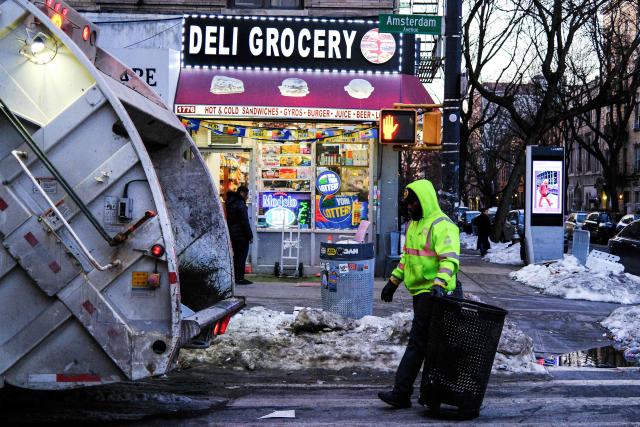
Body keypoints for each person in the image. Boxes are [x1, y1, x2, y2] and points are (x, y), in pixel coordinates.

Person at [378, 179, 461, 409]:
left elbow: (450, 260)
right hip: (424, 293)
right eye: (407, 203)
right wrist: (393, 282)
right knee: (431, 344)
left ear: (424, 201)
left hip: (438, 293)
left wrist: (439, 284)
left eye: (413, 202)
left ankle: (403, 393)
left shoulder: (441, 225)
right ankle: (434, 393)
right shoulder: (413, 225)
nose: (409, 207)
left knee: (420, 343)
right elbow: (407, 258)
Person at [226, 185, 253, 285]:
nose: (247, 197)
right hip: (241, 235)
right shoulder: (240, 204)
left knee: (236, 257)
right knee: (241, 257)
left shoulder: (230, 203)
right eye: (247, 194)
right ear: (242, 193)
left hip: (233, 234)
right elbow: (244, 222)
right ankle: (240, 278)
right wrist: (250, 235)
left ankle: (234, 277)